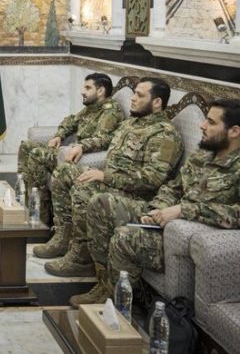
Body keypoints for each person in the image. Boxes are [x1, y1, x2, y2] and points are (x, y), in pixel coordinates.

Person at [70, 98, 240, 306]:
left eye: (211, 122)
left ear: (234, 131)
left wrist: (183, 211)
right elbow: (174, 187)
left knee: (125, 237)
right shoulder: (203, 154)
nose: (202, 126)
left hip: (186, 235)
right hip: (165, 217)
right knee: (101, 203)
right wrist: (156, 209)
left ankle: (116, 301)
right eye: (205, 119)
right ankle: (104, 282)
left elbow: (235, 215)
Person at [38, 77, 184, 277]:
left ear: (157, 102)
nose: (133, 98)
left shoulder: (165, 134)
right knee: (65, 172)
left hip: (136, 195)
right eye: (134, 93)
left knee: (84, 188)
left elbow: (151, 180)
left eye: (139, 95)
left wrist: (105, 176)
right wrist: (83, 147)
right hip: (112, 182)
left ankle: (82, 258)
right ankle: (63, 238)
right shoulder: (130, 123)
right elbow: (105, 139)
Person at [18, 73, 124, 227]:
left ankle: (41, 214)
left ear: (100, 91)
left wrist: (82, 146)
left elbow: (104, 139)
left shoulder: (111, 111)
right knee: (27, 146)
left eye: (88, 88)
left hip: (81, 157)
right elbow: (71, 121)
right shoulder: (91, 108)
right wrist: (59, 135)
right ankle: (26, 201)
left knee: (36, 154)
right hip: (69, 150)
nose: (82, 91)